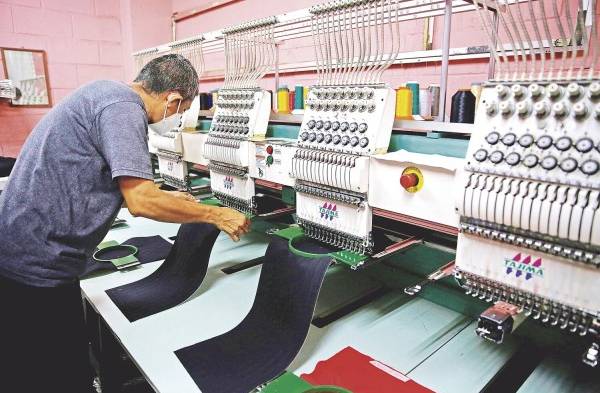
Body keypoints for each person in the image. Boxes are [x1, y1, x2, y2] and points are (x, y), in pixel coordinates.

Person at [0, 54, 250, 392]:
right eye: (180, 111)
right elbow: (141, 201)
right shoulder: (123, 109)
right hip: (36, 264)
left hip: (21, 247)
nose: (175, 119)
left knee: (30, 363)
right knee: (59, 374)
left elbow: (124, 186)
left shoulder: (104, 94)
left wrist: (173, 201)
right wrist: (216, 214)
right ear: (172, 98)